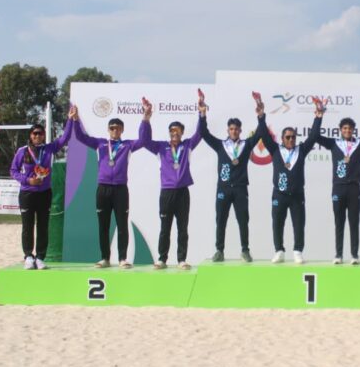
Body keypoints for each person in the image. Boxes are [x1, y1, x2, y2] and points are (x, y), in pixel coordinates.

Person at [72, 97, 153, 269]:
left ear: (122, 130)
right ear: (108, 130)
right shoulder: (100, 144)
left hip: (120, 189)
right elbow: (80, 136)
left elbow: (144, 140)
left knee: (122, 225)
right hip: (103, 189)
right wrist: (76, 120)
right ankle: (105, 258)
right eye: (112, 128)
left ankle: (123, 258)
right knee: (103, 226)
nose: (115, 130)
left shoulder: (127, 145)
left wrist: (145, 118)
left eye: (117, 128)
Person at [198, 90, 266, 263]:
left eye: (236, 129)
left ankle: (245, 250)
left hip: (241, 189)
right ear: (228, 130)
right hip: (224, 188)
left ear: (240, 130)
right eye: (231, 129)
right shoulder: (220, 145)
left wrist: (261, 115)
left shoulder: (246, 144)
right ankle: (219, 251)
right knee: (221, 220)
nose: (234, 131)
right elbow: (204, 133)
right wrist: (202, 114)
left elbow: (260, 133)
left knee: (243, 220)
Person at [258, 96, 323, 264]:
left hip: (297, 195)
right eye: (287, 137)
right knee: (277, 223)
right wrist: (261, 116)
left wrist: (318, 117)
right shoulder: (275, 150)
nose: (291, 140)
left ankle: (297, 251)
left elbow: (313, 136)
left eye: (293, 137)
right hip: (279, 194)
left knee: (299, 224)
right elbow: (264, 135)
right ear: (282, 139)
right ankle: (279, 250)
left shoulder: (301, 150)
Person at [143, 89, 203, 270]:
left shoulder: (188, 146)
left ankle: (181, 260)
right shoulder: (161, 147)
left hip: (183, 192)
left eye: (177, 131)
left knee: (182, 228)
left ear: (182, 132)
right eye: (171, 131)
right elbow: (145, 140)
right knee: (165, 227)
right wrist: (146, 119)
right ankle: (162, 259)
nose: (174, 133)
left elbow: (200, 133)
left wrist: (202, 113)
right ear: (169, 133)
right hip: (167, 193)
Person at [10, 106, 75, 270]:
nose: (37, 136)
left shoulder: (49, 149)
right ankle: (28, 256)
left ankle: (40, 257)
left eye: (40, 133)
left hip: (45, 193)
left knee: (43, 226)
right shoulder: (22, 151)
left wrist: (70, 119)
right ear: (30, 136)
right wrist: (28, 181)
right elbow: (13, 171)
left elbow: (65, 138)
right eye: (34, 133)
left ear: (44, 135)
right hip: (27, 193)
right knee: (27, 226)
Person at [316, 111, 360, 265]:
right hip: (338, 188)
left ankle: (354, 254)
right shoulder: (333, 143)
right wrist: (319, 118)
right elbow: (315, 136)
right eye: (345, 128)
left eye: (350, 128)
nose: (347, 130)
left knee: (354, 222)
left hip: (354, 188)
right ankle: (338, 254)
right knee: (339, 222)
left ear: (353, 130)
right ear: (340, 130)